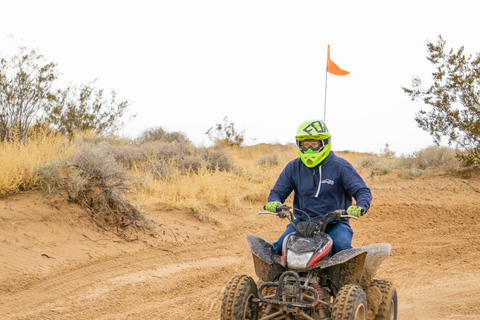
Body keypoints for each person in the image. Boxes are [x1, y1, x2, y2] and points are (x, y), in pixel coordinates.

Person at [264, 119, 372, 255]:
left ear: (324, 143)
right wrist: (274, 202)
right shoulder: (293, 167)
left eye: (314, 145)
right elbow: (277, 192)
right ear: (299, 145)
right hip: (302, 225)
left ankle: (357, 277)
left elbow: (362, 190)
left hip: (335, 225)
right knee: (279, 247)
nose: (309, 149)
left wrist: (361, 206)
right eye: (305, 145)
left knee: (342, 249)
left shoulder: (341, 166)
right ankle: (276, 277)